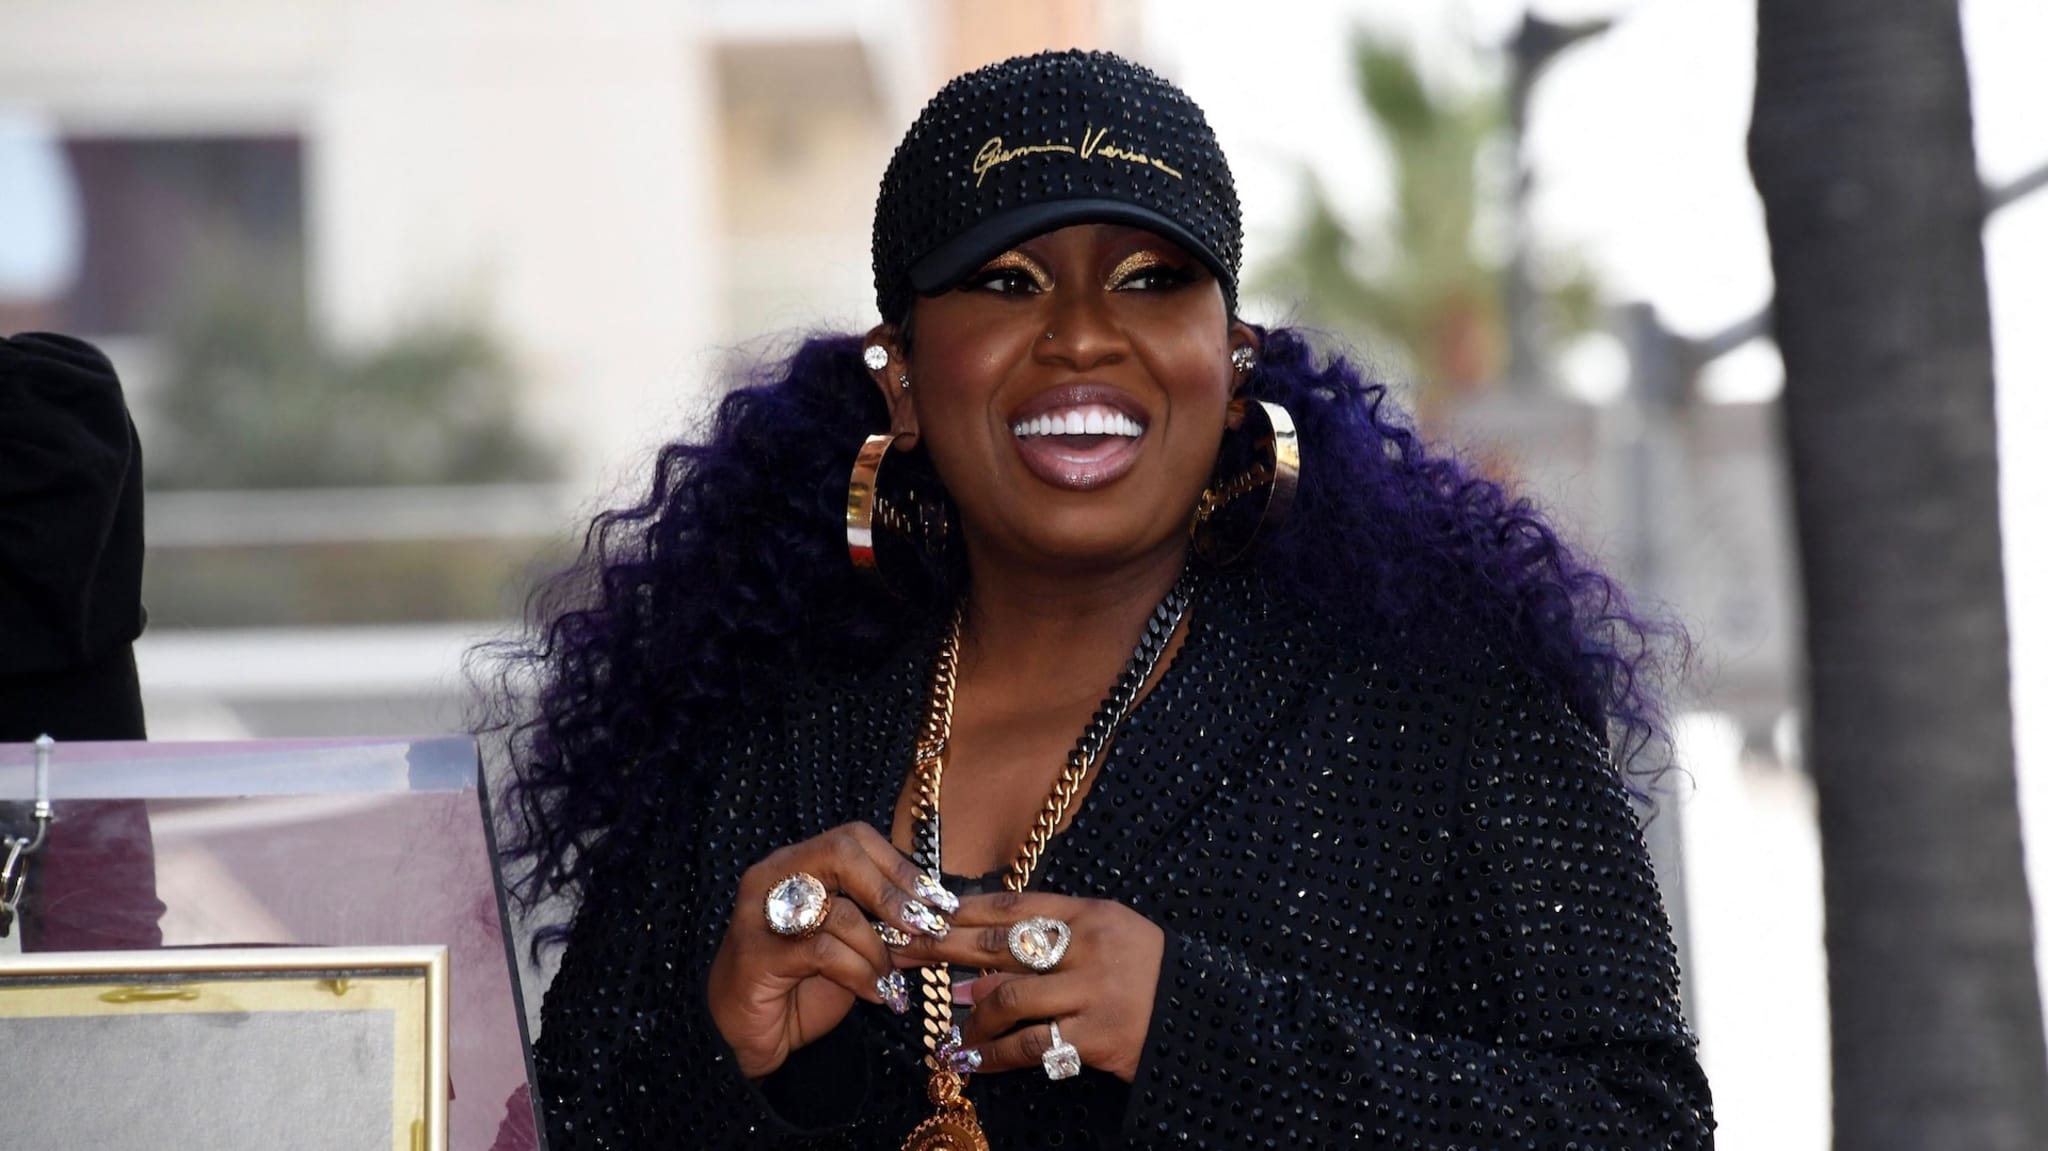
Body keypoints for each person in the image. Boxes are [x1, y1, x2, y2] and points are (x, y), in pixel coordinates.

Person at [495, 49, 1713, 1149]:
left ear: (1232, 365)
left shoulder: (1440, 705)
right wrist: (729, 1053)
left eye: (1148, 277)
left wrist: (1196, 1034)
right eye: (1006, 281)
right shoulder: (756, 725)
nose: (1081, 334)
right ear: (902, 375)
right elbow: (557, 1118)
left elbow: (1640, 1125)